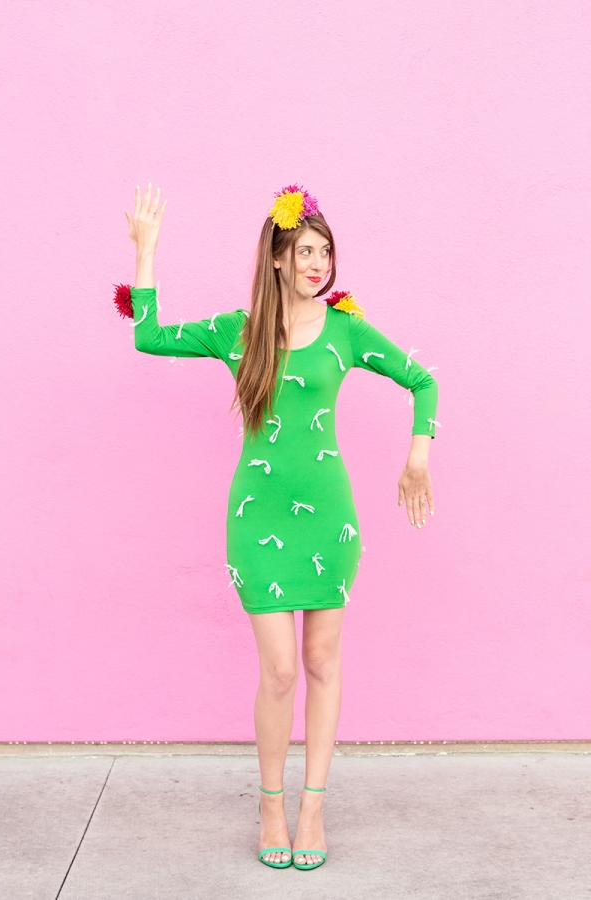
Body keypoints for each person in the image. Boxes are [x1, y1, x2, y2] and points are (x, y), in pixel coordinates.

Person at [121, 182, 439, 870]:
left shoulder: (348, 330)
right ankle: (270, 803)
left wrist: (417, 456)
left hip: (330, 520)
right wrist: (146, 254)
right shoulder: (240, 331)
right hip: (257, 519)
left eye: (325, 252)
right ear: (276, 258)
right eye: (304, 251)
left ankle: (313, 810)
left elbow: (424, 382)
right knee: (281, 668)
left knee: (324, 662)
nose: (318, 263)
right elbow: (147, 336)